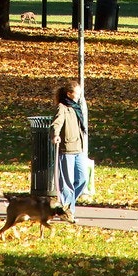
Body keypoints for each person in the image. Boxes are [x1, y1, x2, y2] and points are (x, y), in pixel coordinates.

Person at [51, 80, 90, 219]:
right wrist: (55, 135)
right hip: (66, 149)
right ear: (69, 94)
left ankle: (67, 205)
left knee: (83, 179)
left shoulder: (76, 107)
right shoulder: (62, 107)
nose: (80, 95)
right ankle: (68, 212)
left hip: (78, 148)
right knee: (67, 183)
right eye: (77, 93)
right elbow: (56, 123)